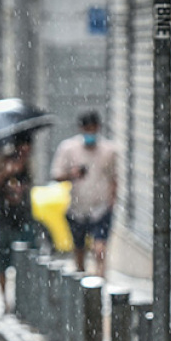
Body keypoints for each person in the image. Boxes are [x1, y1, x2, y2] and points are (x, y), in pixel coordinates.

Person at [51, 111, 119, 276]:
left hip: (101, 207)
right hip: (77, 207)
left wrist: (112, 201)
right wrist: (72, 174)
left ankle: (99, 279)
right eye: (87, 129)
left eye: (93, 129)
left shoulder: (109, 151)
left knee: (99, 248)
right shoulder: (68, 148)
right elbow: (56, 175)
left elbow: (114, 177)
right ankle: (81, 279)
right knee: (79, 248)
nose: (90, 133)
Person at [0, 135, 38, 314]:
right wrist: (5, 173)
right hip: (3, 219)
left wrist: (21, 189)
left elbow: (28, 188)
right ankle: (5, 301)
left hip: (23, 218)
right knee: (3, 261)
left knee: (26, 261)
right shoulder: (0, 161)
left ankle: (24, 301)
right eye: (23, 147)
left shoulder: (28, 165)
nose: (26, 151)